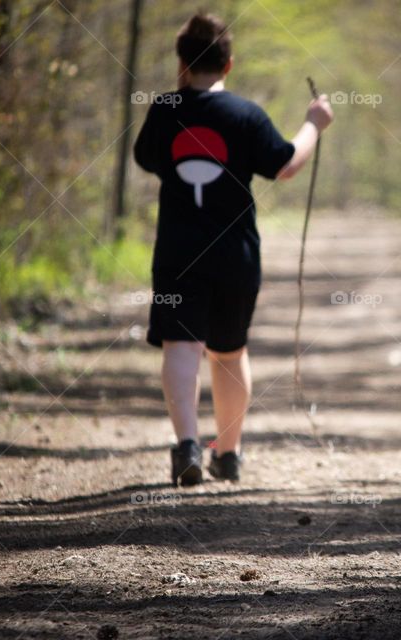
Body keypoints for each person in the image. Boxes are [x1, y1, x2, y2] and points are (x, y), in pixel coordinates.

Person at [133, 11, 334, 485]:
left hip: (179, 253)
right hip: (236, 255)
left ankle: (186, 446)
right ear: (229, 65)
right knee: (228, 351)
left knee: (182, 345)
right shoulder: (246, 115)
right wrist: (314, 124)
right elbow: (285, 165)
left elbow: (146, 158)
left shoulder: (164, 110)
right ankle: (228, 452)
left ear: (182, 64)